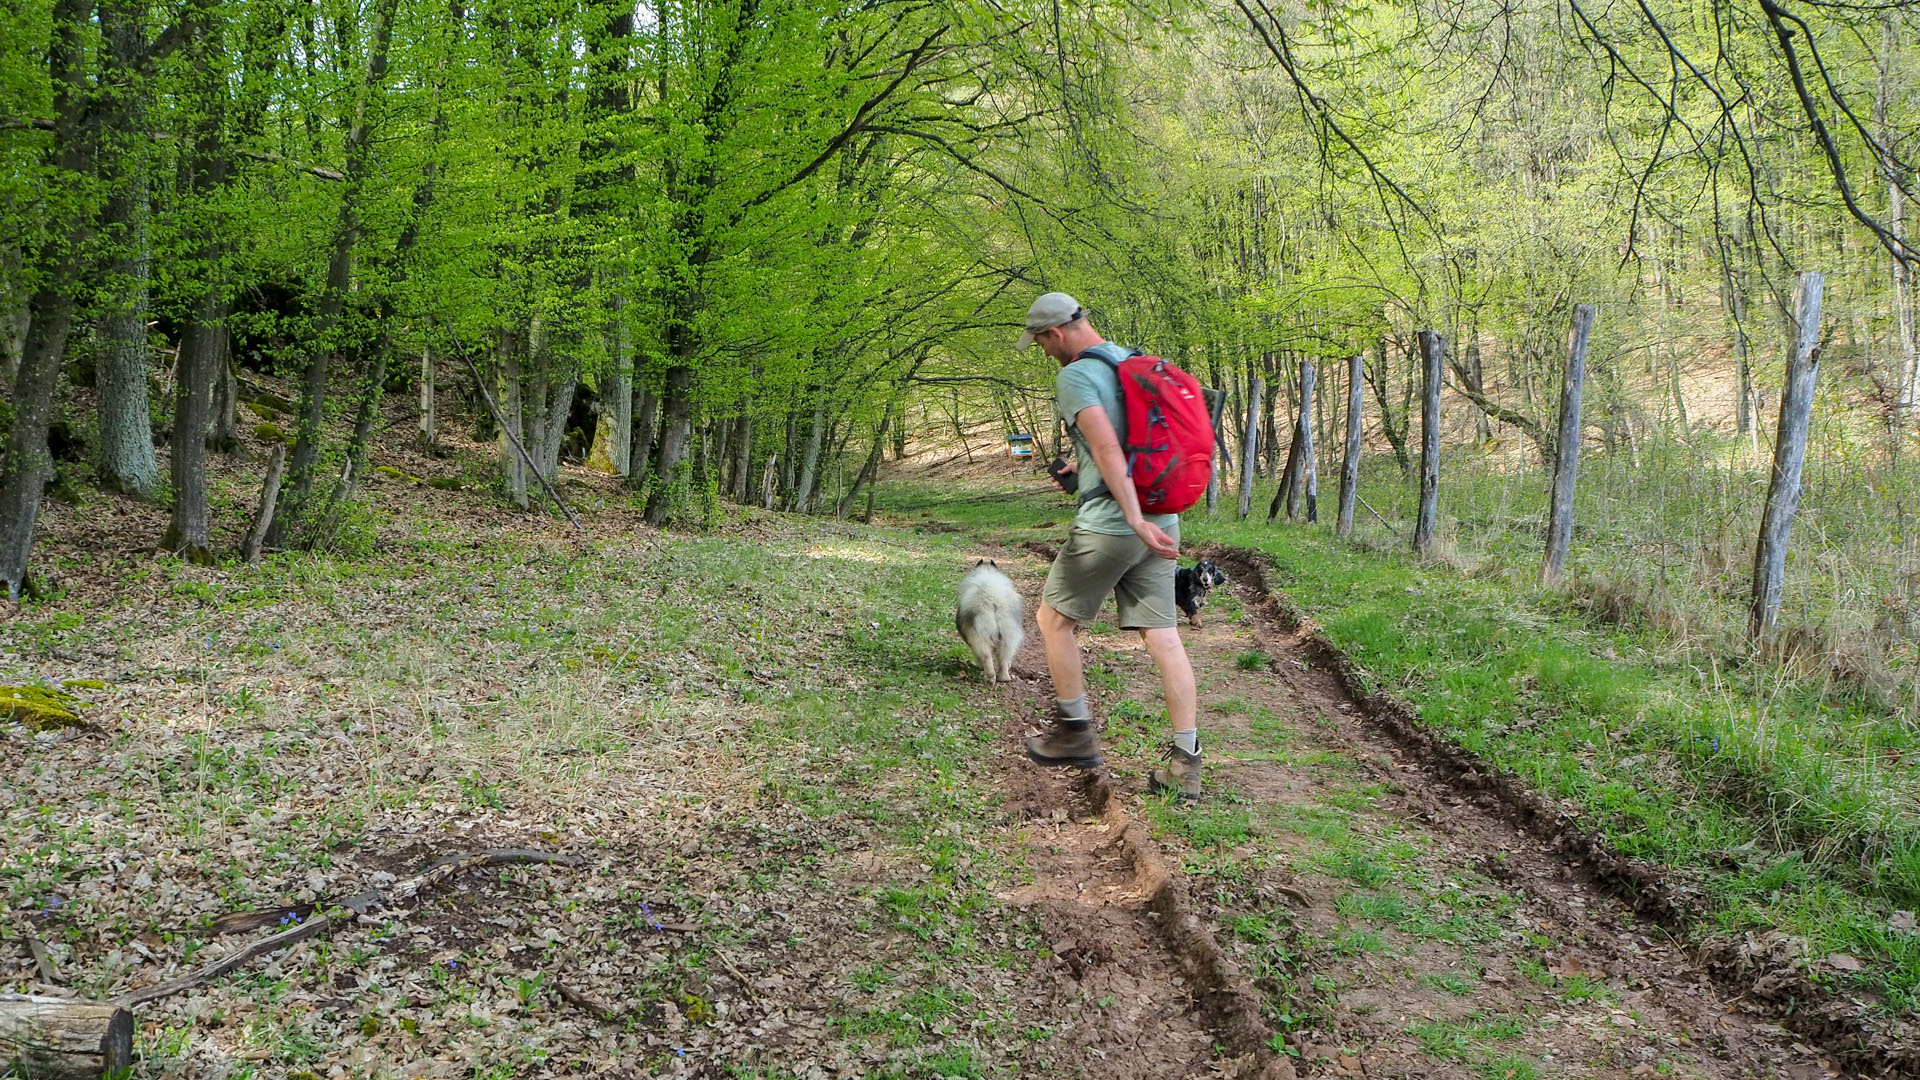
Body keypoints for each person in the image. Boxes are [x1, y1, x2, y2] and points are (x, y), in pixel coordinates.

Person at [1016, 291, 1203, 802]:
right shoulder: (1129, 360)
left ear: (1055, 333)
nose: (1042, 351)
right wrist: (1092, 473)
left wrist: (1134, 520)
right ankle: (1185, 762)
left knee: (1053, 621)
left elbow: (1106, 445)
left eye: (1040, 342)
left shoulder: (1075, 375)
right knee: (1163, 637)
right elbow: (1128, 442)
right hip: (1165, 517)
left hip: (1116, 524)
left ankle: (1074, 731)